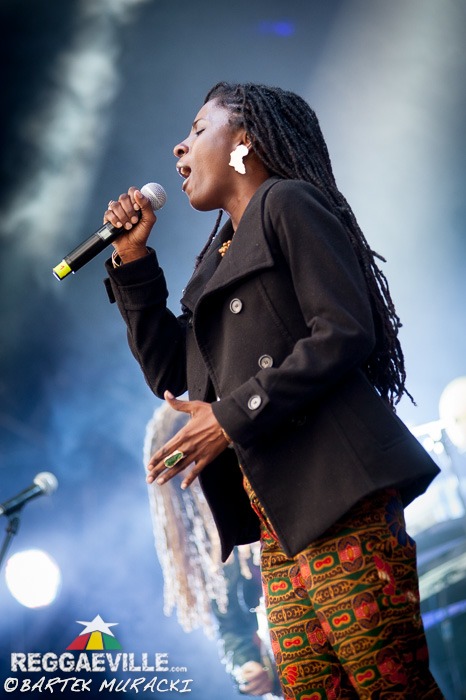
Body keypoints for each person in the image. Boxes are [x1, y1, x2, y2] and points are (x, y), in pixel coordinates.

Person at [103, 82, 444, 698]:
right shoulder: (215, 259)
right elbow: (173, 373)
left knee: (391, 688)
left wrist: (231, 416)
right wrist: (132, 261)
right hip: (280, 526)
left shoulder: (288, 202)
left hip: (339, 498)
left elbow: (344, 330)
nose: (180, 147)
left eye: (198, 129)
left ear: (245, 140)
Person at [144, 402, 281, 697]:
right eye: (178, 461)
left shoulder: (265, 480)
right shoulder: (210, 551)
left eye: (191, 450)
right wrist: (246, 665)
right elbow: (232, 627)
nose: (189, 468)